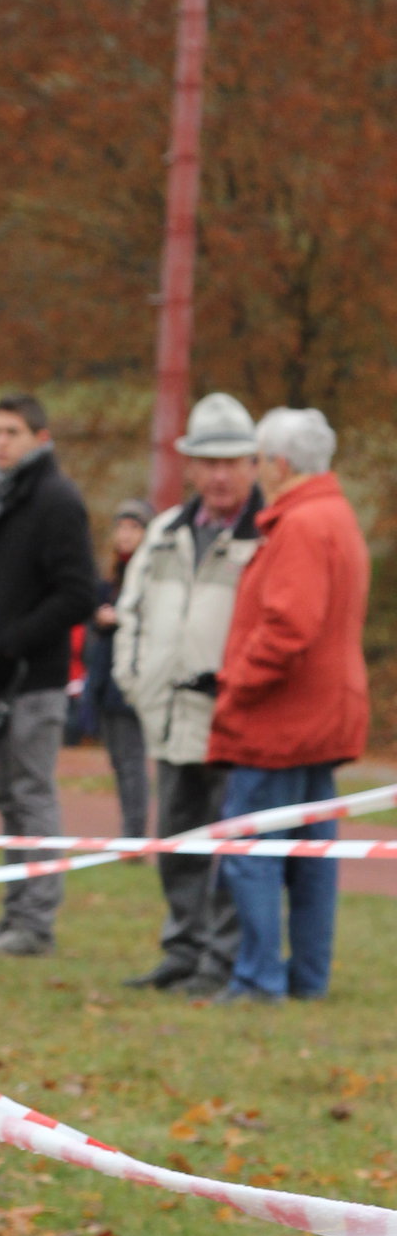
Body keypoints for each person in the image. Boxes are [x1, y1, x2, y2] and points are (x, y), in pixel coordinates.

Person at [209, 407, 370, 1005]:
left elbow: (288, 628)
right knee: (312, 856)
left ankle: (258, 979)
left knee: (254, 851)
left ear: (278, 464)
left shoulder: (300, 524)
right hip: (324, 716)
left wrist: (236, 684)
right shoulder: (336, 515)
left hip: (282, 720)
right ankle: (307, 976)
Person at [112, 393, 262, 996]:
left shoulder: (265, 535)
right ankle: (183, 951)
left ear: (253, 464)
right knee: (177, 844)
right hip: (168, 716)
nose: (220, 476)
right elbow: (131, 611)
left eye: (232, 462)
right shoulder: (165, 531)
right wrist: (134, 680)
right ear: (192, 466)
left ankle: (221, 961)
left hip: (232, 721)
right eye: (209, 463)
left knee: (232, 850)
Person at [0, 395, 98, 958]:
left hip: (35, 681)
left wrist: (13, 642)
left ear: (41, 437)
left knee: (32, 795)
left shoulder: (56, 499)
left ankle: (35, 923)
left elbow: (78, 593)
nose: (0, 441)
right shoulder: (2, 495)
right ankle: (16, 913)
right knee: (9, 798)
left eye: (12, 431)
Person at [79, 498, 152, 837]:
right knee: (120, 762)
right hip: (105, 681)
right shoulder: (107, 581)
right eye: (121, 527)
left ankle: (134, 835)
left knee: (133, 762)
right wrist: (97, 620)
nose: (125, 535)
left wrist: (120, 619)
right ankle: (130, 831)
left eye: (134, 528)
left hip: (134, 682)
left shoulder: (152, 577)